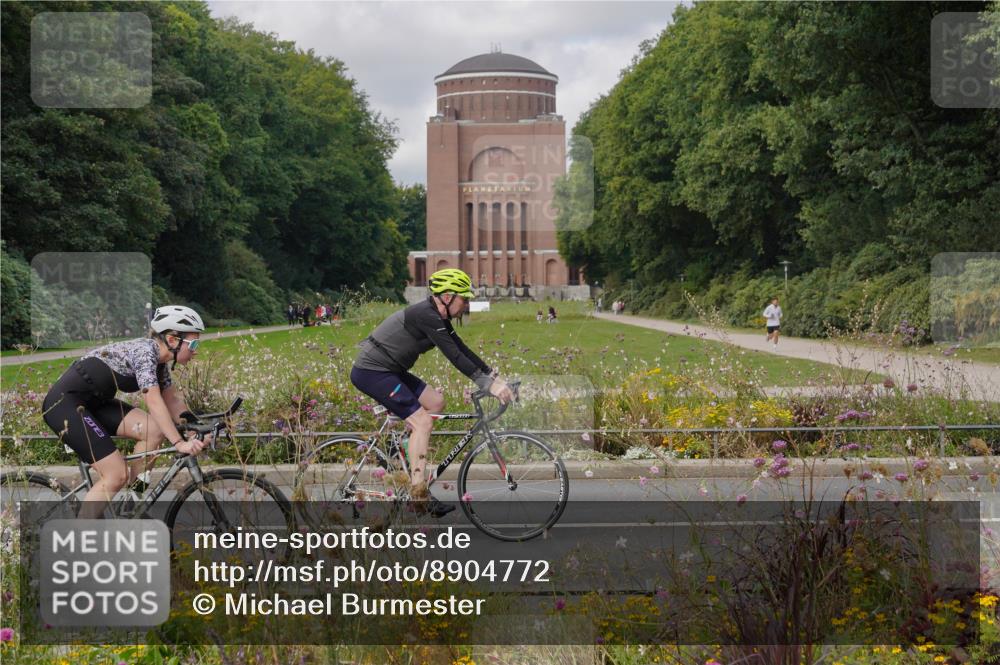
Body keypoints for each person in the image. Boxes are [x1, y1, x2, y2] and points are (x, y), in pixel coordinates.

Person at [350, 268, 514, 517]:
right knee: (423, 422)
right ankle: (419, 495)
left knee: (435, 402)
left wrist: (493, 377)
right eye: (464, 299)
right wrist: (489, 386)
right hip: (373, 371)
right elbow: (455, 357)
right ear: (447, 296)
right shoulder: (426, 315)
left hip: (391, 370)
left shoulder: (438, 318)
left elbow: (462, 348)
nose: (467, 304)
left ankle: (401, 455)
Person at [42, 306, 210, 518]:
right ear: (173, 339)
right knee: (116, 474)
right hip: (65, 404)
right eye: (193, 344)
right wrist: (179, 443)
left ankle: (132, 501)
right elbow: (154, 401)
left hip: (95, 403)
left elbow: (172, 401)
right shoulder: (145, 353)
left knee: (154, 431)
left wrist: (196, 428)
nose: (196, 349)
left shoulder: (160, 365)